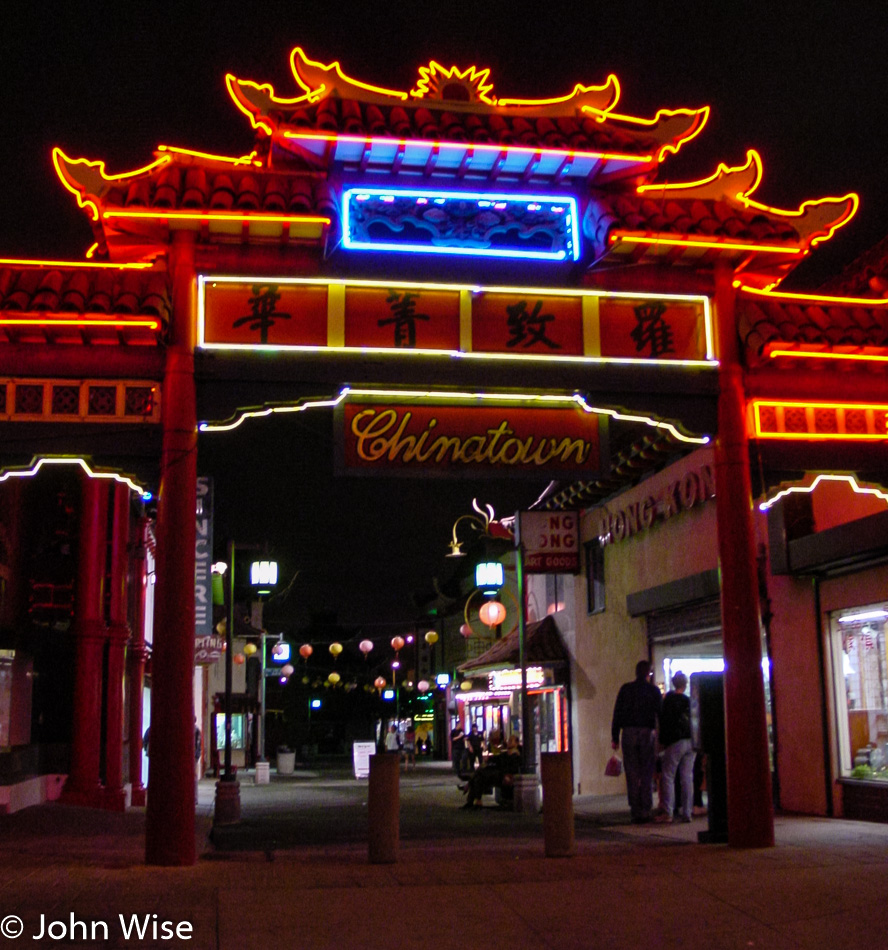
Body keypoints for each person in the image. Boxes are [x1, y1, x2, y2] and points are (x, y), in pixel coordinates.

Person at [611, 660, 662, 824]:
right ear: (648, 673)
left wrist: (615, 737)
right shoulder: (653, 691)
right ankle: (646, 809)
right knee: (646, 771)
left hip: (628, 732)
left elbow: (617, 712)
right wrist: (661, 737)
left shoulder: (626, 689)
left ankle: (635, 810)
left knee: (632, 771)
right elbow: (660, 713)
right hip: (647, 732)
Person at [656, 672, 694, 823]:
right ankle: (687, 812)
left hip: (675, 741)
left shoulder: (668, 701)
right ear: (685, 685)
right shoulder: (689, 701)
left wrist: (662, 742)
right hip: (690, 741)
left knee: (668, 776)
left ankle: (668, 812)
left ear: (673, 683)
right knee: (687, 777)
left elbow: (663, 722)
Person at [459, 735, 522, 808]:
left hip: (504, 776)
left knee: (481, 773)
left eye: (511, 741)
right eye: (508, 740)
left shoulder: (516, 755)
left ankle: (470, 789)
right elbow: (496, 759)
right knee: (479, 775)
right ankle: (474, 801)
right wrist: (488, 759)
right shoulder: (506, 754)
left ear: (516, 743)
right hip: (498, 774)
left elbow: (511, 768)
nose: (508, 742)